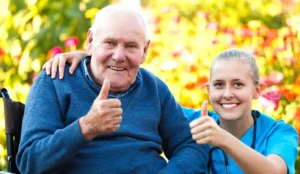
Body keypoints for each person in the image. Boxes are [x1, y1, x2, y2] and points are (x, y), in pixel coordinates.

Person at [16, 4, 209, 174]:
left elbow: (191, 146)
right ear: (91, 41)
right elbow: (30, 163)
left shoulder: (154, 88)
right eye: (110, 43)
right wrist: (87, 127)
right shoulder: (55, 81)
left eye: (131, 46)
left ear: (145, 51)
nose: (118, 56)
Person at [45, 49, 298, 173]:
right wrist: (89, 57)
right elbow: (145, 95)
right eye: (219, 85)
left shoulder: (280, 133)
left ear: (257, 90)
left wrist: (223, 139)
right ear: (207, 89)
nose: (227, 93)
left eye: (238, 85)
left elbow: (274, 171)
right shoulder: (194, 121)